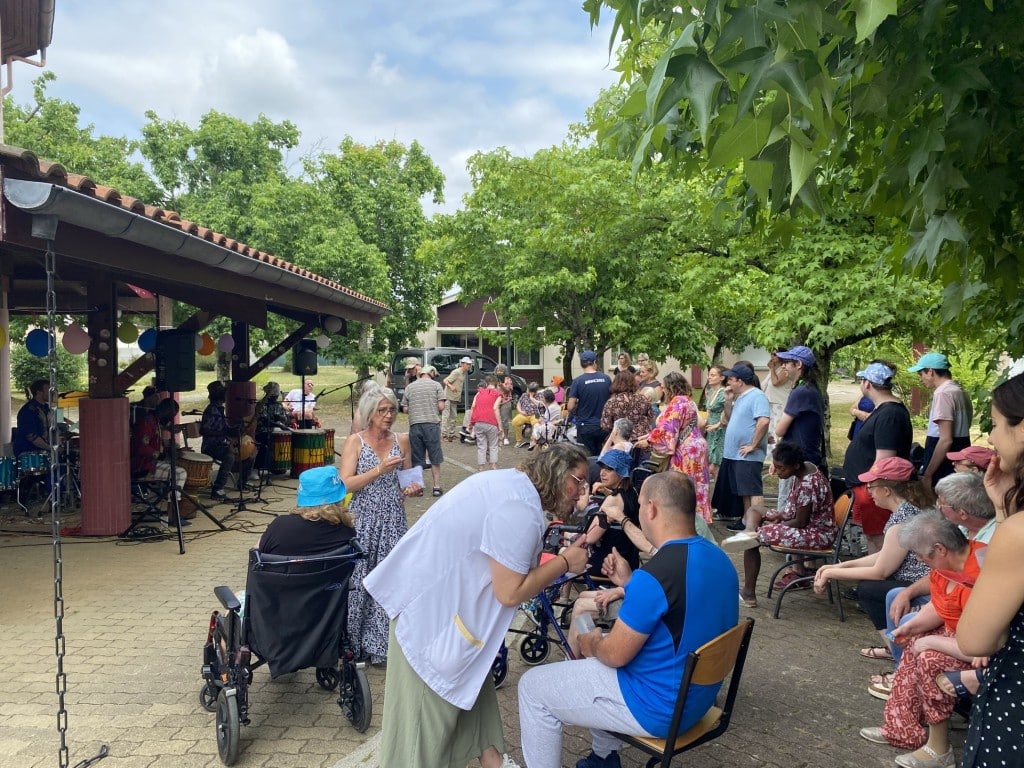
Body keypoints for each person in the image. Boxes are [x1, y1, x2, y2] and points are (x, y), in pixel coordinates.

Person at [362, 443, 592, 768]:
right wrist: (566, 562)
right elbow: (510, 592)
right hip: (433, 629)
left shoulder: (512, 488)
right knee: (415, 750)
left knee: (480, 722)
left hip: (450, 623)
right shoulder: (520, 509)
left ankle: (494, 762)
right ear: (556, 473)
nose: (582, 491)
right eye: (578, 480)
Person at [517, 471, 739, 768]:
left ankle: (602, 757)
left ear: (651, 509)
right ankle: (604, 758)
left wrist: (590, 642)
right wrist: (629, 582)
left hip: (657, 706)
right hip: (696, 699)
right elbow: (682, 605)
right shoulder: (719, 559)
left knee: (533, 688)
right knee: (592, 663)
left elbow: (614, 655)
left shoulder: (657, 575)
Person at [859, 512, 983, 768]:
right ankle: (901, 728)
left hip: (983, 651)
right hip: (959, 639)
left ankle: (940, 750)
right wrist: (910, 629)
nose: (917, 559)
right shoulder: (945, 567)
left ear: (940, 549)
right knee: (913, 641)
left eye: (920, 554)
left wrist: (929, 643)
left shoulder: (979, 573)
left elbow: (980, 646)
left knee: (928, 656)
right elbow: (940, 608)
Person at [812, 457, 932, 697]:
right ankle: (896, 648)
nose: (868, 493)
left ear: (887, 490)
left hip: (921, 587)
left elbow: (881, 571)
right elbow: (881, 557)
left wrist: (833, 573)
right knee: (871, 588)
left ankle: (899, 655)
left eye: (871, 487)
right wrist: (839, 566)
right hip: (914, 581)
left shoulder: (901, 521)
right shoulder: (904, 512)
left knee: (869, 590)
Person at [956, 369, 1024, 768]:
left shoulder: (1018, 535)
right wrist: (1004, 509)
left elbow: (975, 639)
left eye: (997, 425)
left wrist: (1007, 522)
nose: (993, 438)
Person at [339, 386, 418, 664]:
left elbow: (410, 478)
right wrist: (378, 471)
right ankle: (353, 644)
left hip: (393, 519)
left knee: (391, 581)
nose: (388, 416)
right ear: (370, 413)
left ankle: (383, 647)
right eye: (382, 410)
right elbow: (345, 483)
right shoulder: (355, 442)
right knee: (359, 581)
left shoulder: (403, 440)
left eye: (392, 410)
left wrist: (412, 488)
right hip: (363, 519)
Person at [721, 442, 836, 608]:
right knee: (755, 509)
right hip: (798, 521)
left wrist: (774, 526)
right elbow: (796, 514)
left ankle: (749, 594)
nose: (777, 472)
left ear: (796, 466)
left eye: (782, 468)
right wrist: (779, 519)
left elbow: (801, 522)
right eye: (775, 466)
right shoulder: (805, 467)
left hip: (816, 534)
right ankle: (748, 531)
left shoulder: (807, 484)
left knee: (756, 538)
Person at [843, 362, 914, 553]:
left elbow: (884, 460)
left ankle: (880, 578)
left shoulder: (890, 414)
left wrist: (872, 487)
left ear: (867, 384)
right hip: (869, 489)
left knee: (880, 538)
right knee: (873, 536)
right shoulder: (884, 409)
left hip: (877, 489)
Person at [635, 371, 712, 523]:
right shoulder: (688, 401)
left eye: (663, 387)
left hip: (686, 451)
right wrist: (648, 435)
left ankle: (684, 520)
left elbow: (668, 430)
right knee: (698, 484)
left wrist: (649, 441)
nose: (662, 390)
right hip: (696, 446)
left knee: (682, 485)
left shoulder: (676, 403)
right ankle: (698, 518)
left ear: (670, 387)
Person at [711, 364, 771, 520]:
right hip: (736, 454)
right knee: (744, 491)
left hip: (748, 455)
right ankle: (746, 520)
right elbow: (731, 419)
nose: (728, 383)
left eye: (731, 379)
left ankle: (755, 523)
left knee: (753, 490)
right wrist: (728, 401)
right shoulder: (741, 397)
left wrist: (753, 445)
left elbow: (763, 421)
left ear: (741, 381)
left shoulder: (757, 396)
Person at [908, 352, 973, 488]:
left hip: (943, 461)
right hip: (961, 455)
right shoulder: (960, 391)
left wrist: (928, 473)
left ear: (930, 371)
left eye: (921, 374)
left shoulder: (943, 393)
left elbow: (945, 439)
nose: (920, 378)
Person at [772, 345, 826, 509]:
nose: (783, 366)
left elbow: (779, 430)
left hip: (797, 463)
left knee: (787, 508)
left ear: (799, 365)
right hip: (803, 460)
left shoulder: (801, 391)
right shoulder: (811, 388)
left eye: (787, 362)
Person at [258, 466, 356, 555]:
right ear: (339, 499)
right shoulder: (347, 531)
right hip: (333, 575)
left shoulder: (280, 526)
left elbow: (255, 557)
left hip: (280, 574)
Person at [130, 386, 188, 525]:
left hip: (150, 462)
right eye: (171, 415)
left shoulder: (154, 421)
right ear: (166, 412)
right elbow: (142, 448)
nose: (171, 419)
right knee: (180, 473)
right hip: (142, 466)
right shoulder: (147, 422)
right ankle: (172, 514)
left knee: (177, 468)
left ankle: (172, 509)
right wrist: (160, 455)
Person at [200, 380, 253, 502]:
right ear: (219, 395)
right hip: (211, 446)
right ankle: (217, 489)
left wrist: (236, 429)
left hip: (222, 444)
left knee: (249, 454)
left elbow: (225, 429)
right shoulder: (211, 410)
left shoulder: (219, 409)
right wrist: (224, 433)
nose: (225, 396)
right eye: (223, 393)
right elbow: (203, 430)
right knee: (229, 456)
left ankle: (242, 484)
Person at [402, 364, 446, 496]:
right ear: (431, 373)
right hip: (431, 425)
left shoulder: (410, 387)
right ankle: (436, 487)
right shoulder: (436, 386)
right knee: (435, 457)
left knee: (417, 458)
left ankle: (418, 488)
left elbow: (405, 408)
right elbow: (441, 406)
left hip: (415, 425)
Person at [567, 350, 612, 457]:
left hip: (585, 426)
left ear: (581, 364)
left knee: (587, 458)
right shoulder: (606, 379)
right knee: (603, 456)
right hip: (604, 425)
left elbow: (570, 406)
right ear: (595, 362)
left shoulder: (578, 381)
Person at [599, 370, 652, 445]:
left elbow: (605, 425)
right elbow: (650, 418)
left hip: (620, 442)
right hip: (641, 441)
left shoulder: (612, 402)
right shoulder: (643, 399)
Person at [254, 381, 290, 471]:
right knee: (267, 440)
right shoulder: (261, 405)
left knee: (287, 439)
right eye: (274, 395)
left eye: (276, 395)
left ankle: (278, 465)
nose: (276, 397)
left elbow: (285, 419)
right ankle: (257, 468)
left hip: (275, 430)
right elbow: (263, 420)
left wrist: (281, 419)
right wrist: (277, 424)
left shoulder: (278, 405)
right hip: (261, 431)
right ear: (268, 395)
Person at [469, 375, 503, 470]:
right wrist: (500, 426)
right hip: (491, 422)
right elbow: (495, 408)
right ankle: (493, 466)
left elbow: (473, 407)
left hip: (478, 422)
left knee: (481, 446)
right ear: (496, 384)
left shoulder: (479, 393)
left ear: (486, 384)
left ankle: (481, 468)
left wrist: (471, 422)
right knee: (493, 445)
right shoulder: (498, 395)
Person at [14, 378, 51, 456]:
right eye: (48, 391)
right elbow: (32, 436)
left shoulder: (47, 408)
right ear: (39, 392)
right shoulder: (28, 411)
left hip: (44, 450)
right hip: (28, 452)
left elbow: (54, 427)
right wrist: (50, 448)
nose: (51, 393)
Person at [703, 365, 727, 480]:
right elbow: (708, 411)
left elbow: (727, 412)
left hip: (720, 430)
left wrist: (717, 425)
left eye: (713, 375)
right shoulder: (711, 391)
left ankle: (720, 495)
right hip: (710, 430)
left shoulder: (723, 392)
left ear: (722, 377)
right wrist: (704, 423)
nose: (709, 377)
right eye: (709, 375)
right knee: (709, 464)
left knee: (716, 466)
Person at [442, 356, 472, 442]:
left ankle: (451, 434)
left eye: (469, 364)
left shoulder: (464, 373)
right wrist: (451, 386)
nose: (469, 366)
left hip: (455, 397)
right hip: (448, 396)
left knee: (453, 416)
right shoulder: (456, 372)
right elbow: (445, 380)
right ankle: (444, 434)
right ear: (462, 364)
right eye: (467, 364)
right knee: (446, 416)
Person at [512, 382, 545, 447]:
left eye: (528, 390)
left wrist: (531, 397)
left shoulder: (540, 395)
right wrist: (520, 411)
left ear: (533, 391)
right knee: (515, 422)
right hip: (524, 413)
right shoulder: (524, 395)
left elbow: (541, 405)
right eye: (527, 389)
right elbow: (518, 404)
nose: (527, 391)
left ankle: (533, 440)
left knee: (537, 423)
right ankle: (519, 440)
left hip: (536, 413)